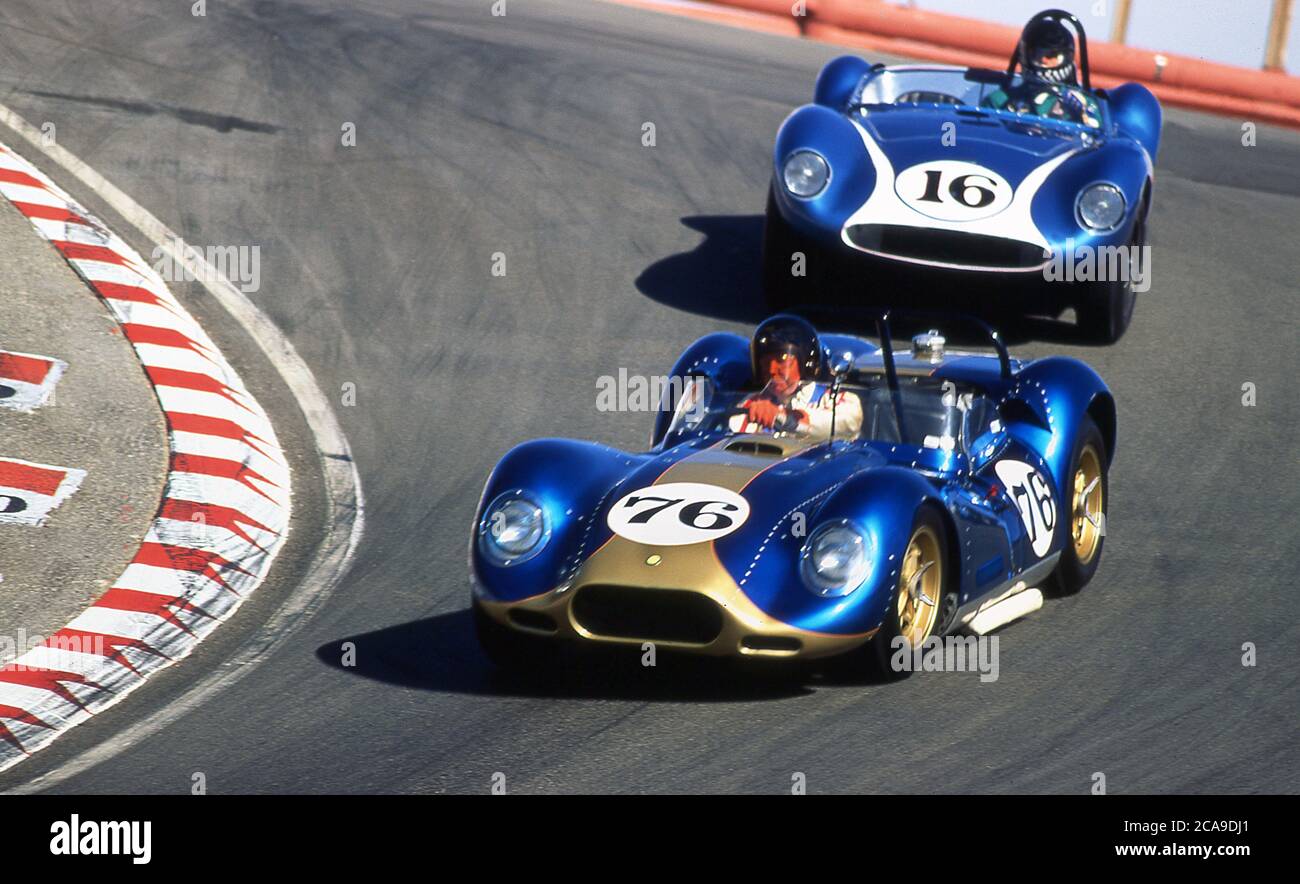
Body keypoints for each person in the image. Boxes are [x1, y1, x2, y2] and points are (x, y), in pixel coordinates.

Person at [729, 315, 863, 440]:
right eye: (765, 362)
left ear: (806, 362)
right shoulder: (752, 403)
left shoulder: (840, 401)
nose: (771, 370)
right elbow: (732, 436)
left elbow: (847, 424)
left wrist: (784, 417)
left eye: (782, 359)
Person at [983, 15, 1101, 128]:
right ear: (1026, 55)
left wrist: (1079, 118)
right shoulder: (999, 100)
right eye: (1038, 54)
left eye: (1051, 55)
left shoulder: (1082, 104)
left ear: (1065, 57)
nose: (1043, 60)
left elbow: (1097, 141)